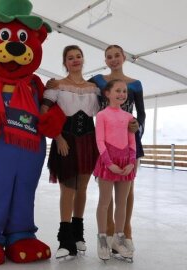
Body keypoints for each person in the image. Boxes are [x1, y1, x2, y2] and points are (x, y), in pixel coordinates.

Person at [42, 45, 100, 259]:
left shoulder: (95, 87)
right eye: (70, 58)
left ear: (83, 59)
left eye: (78, 56)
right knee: (68, 188)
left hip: (88, 141)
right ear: (64, 62)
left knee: (82, 188)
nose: (75, 60)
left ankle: (78, 235)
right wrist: (57, 137)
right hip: (65, 140)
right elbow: (44, 113)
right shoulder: (57, 86)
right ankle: (65, 239)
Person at [89, 44, 145, 255]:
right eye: (109, 56)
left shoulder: (136, 85)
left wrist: (136, 126)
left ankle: (125, 234)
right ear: (105, 60)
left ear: (124, 57)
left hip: (130, 140)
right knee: (106, 194)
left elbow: (142, 113)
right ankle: (107, 234)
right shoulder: (98, 81)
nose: (113, 59)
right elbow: (79, 87)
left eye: (117, 56)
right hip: (107, 144)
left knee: (127, 192)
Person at [94, 79, 136, 261]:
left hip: (126, 162)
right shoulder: (102, 115)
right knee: (104, 202)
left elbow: (132, 142)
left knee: (123, 203)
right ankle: (102, 238)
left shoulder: (128, 117)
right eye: (118, 90)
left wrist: (132, 163)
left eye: (124, 91)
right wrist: (108, 163)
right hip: (108, 161)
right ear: (108, 93)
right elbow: (100, 141)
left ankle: (119, 238)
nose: (122, 94)